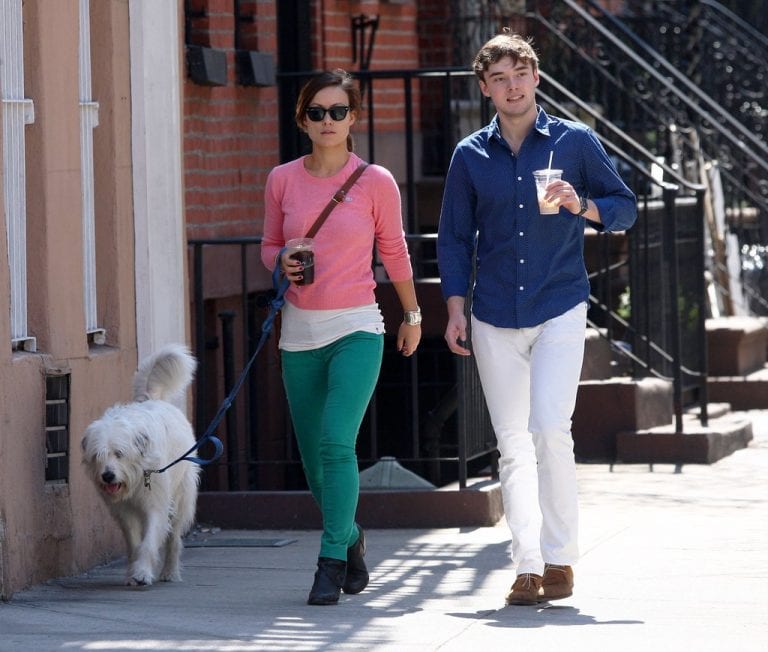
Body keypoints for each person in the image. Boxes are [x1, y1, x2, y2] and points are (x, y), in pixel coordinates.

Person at [437, 32, 637, 606]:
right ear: (485, 88)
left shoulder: (575, 141)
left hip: (559, 304)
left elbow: (625, 207)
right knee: (512, 442)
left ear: (536, 78)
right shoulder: (469, 155)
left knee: (550, 428)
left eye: (520, 74)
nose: (512, 86)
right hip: (494, 312)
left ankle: (559, 557)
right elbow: (454, 238)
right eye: (499, 78)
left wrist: (584, 205)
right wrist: (454, 307)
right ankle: (526, 566)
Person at [261, 69, 422, 606]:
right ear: (302, 120)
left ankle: (329, 563)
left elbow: (394, 250)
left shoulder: (375, 181)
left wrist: (412, 314)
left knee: (336, 443)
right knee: (315, 467)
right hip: (298, 335)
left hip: (358, 327)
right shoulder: (282, 179)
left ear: (353, 118)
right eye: (316, 112)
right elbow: (269, 246)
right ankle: (350, 536)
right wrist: (282, 259)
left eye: (337, 111)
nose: (327, 121)